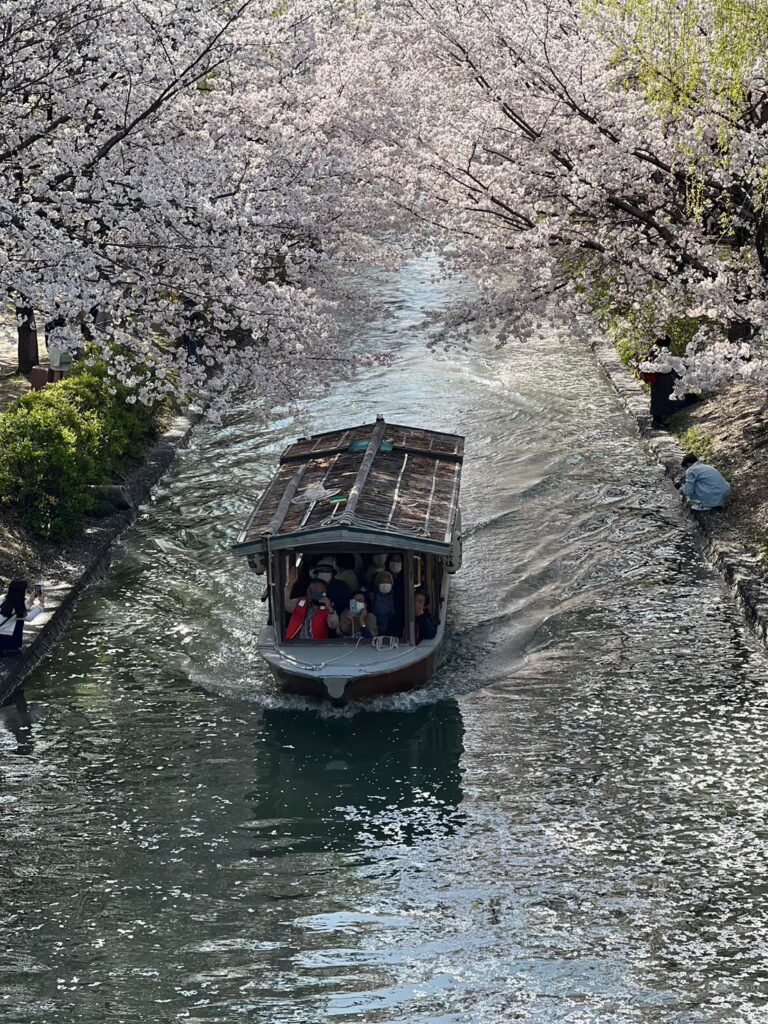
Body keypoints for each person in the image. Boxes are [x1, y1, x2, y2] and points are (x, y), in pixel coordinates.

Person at [639, 336, 698, 430]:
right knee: (660, 399)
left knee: (659, 398)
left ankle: (658, 420)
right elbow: (662, 364)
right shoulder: (658, 350)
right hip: (660, 378)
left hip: (658, 378)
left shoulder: (655, 349)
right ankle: (657, 421)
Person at [0, 580, 45, 656]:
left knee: (17, 620)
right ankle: (12, 648)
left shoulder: (2, 598)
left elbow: (18, 609)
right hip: (3, 640)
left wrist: (30, 601)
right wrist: (41, 604)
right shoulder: (16, 611)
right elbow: (29, 617)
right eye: (25, 590)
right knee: (19, 621)